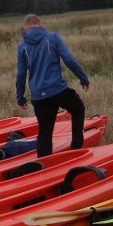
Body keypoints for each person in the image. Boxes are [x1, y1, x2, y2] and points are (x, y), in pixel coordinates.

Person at [15, 14, 89, 158]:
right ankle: (76, 149)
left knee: (45, 131)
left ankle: (44, 165)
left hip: (38, 95)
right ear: (40, 25)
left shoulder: (22, 46)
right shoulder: (53, 37)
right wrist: (83, 78)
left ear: (26, 27)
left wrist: (20, 97)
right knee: (78, 109)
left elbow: (21, 74)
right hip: (57, 90)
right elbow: (69, 60)